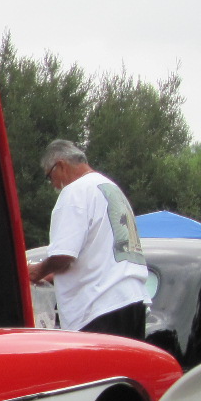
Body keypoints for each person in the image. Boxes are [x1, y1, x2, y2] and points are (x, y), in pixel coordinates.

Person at [27, 140, 148, 338]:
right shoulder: (110, 188)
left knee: (102, 370)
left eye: (50, 177)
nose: (53, 185)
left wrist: (37, 272)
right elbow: (94, 257)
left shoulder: (75, 192)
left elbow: (63, 255)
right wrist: (51, 276)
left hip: (99, 308)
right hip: (132, 300)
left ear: (61, 165)